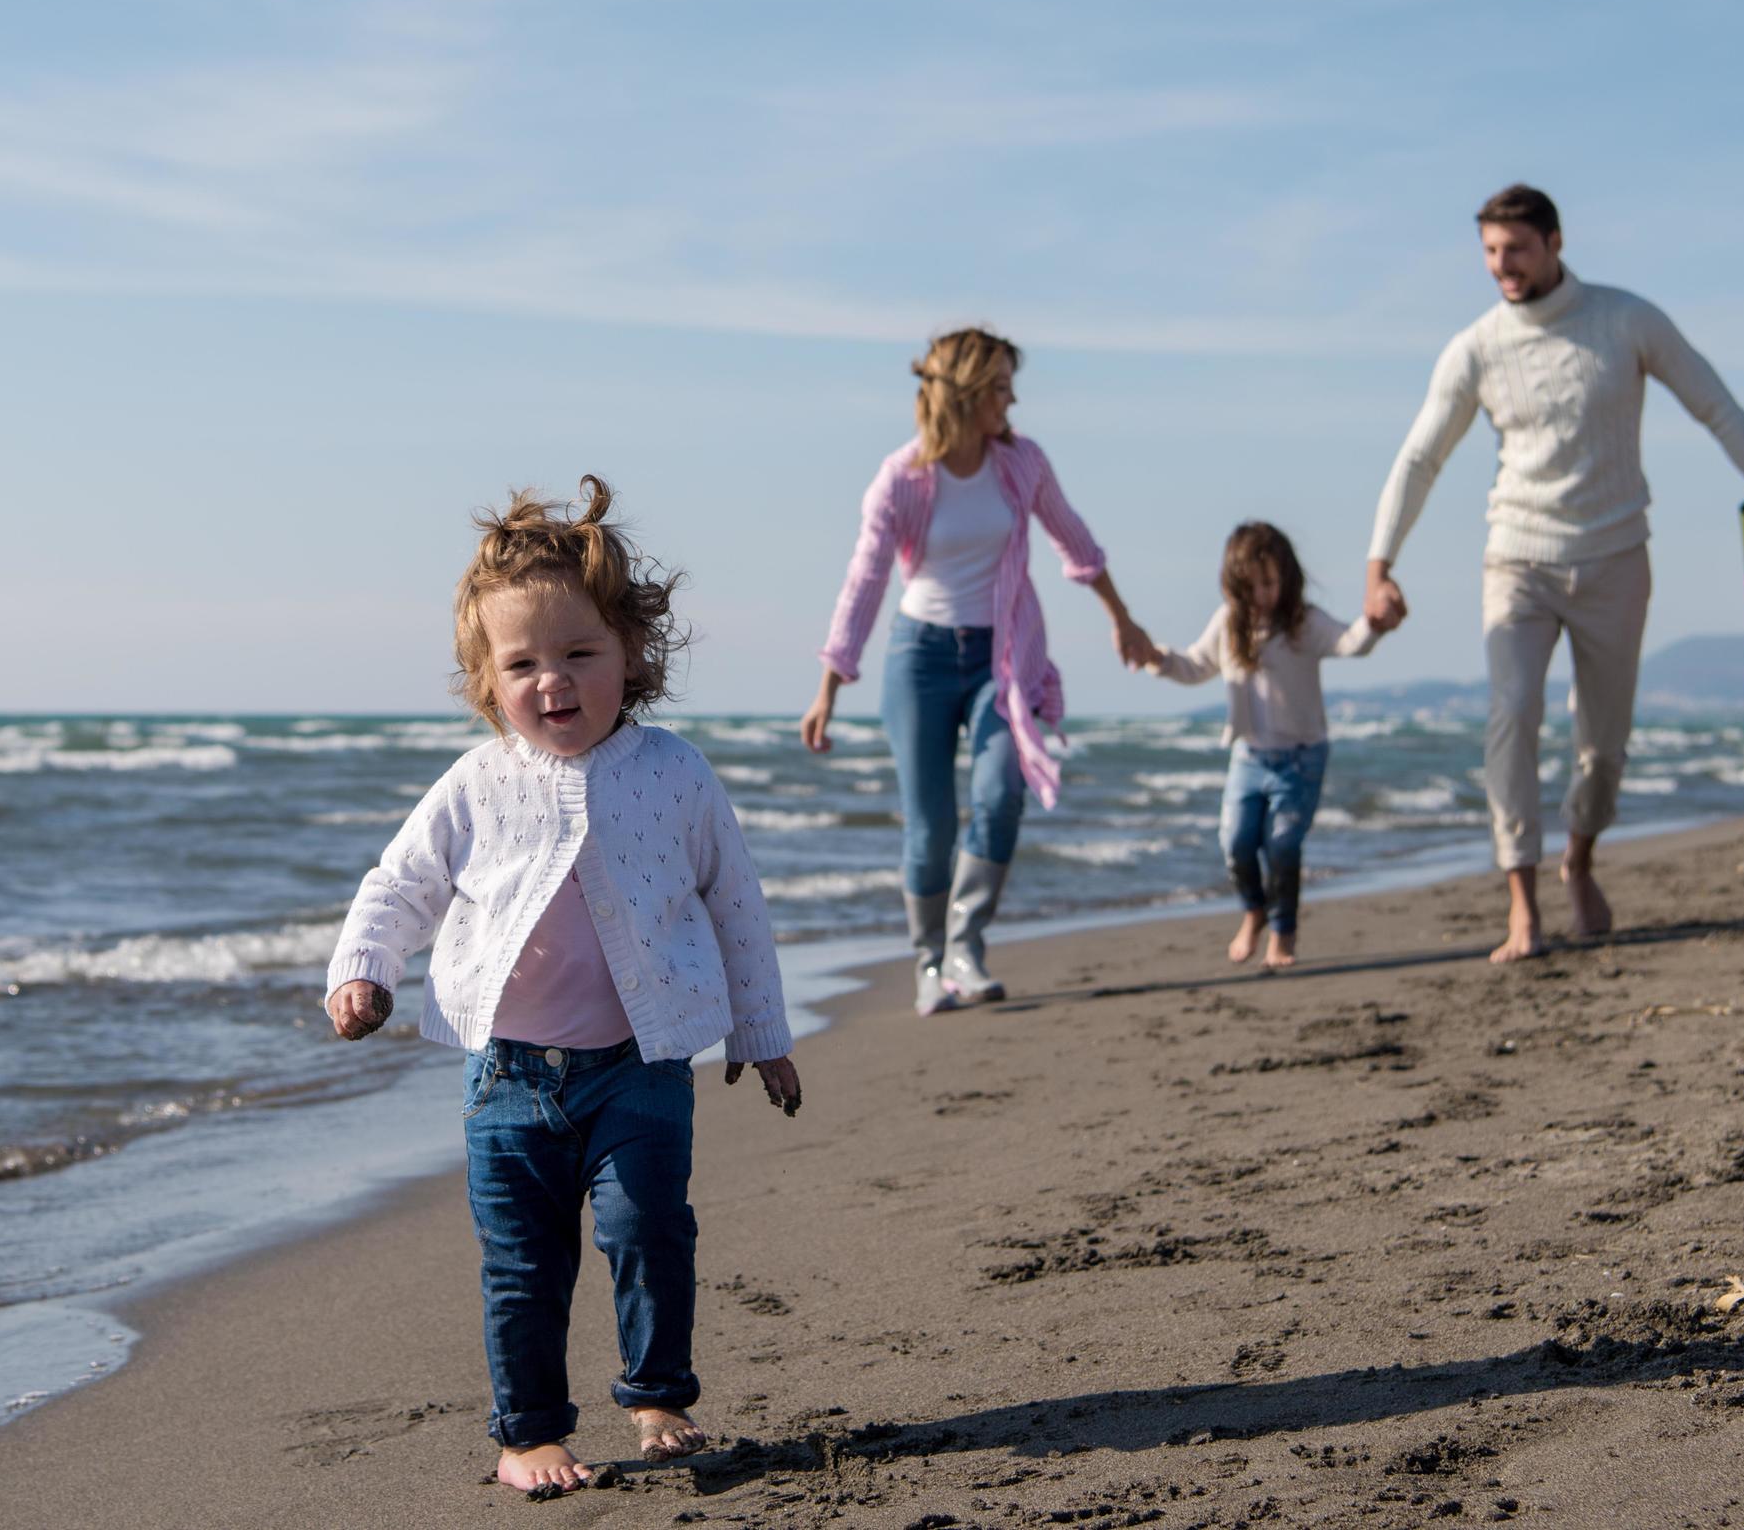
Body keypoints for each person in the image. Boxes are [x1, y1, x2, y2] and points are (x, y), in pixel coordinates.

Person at [323, 477, 800, 1498]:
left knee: (647, 1227)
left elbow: (737, 904)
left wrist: (762, 1032)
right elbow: (400, 882)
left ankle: (659, 1393)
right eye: (523, 663)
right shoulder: (476, 781)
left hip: (641, 1066)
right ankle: (528, 1432)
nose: (554, 682)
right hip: (507, 1081)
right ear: (486, 679)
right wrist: (365, 969)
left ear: (632, 653)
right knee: (523, 1266)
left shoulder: (674, 773)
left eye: (580, 654)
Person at [1363, 184, 1744, 963]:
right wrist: (1380, 565)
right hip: (1515, 559)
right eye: (1487, 252)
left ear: (1553, 241)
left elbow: (1716, 406)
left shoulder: (1626, 320)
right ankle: (1521, 905)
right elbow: (1419, 457)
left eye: (1514, 249)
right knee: (1510, 715)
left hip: (1614, 557)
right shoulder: (1475, 347)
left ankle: (1576, 858)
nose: (1500, 267)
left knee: (1603, 742)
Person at [802, 327, 1157, 1014]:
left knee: (1000, 791)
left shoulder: (1021, 463)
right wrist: (828, 687)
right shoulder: (901, 478)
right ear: (963, 394)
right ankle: (929, 964)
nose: (1012, 399)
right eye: (999, 386)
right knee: (929, 825)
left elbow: (1073, 541)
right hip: (920, 657)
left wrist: (1123, 618)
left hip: (1002, 654)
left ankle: (965, 942)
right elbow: (865, 583)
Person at [1139, 522, 1384, 969]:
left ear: (1286, 578)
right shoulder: (1229, 624)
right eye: (1250, 587)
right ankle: (1254, 911)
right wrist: (1156, 658)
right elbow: (1194, 665)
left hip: (1302, 758)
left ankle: (1283, 934)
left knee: (1283, 845)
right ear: (1234, 587)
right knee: (1235, 842)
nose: (1262, 596)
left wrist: (1374, 621)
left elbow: (1351, 642)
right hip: (1248, 757)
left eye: (1269, 583)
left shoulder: (1303, 622)